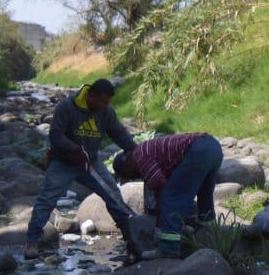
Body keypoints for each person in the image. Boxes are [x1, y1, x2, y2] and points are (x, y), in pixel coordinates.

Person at [26, 79, 139, 261]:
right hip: (63, 161)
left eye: (107, 102)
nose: (104, 106)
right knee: (47, 198)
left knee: (113, 194)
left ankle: (131, 237)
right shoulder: (67, 107)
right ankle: (32, 241)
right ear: (90, 95)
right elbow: (55, 135)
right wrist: (73, 149)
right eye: (102, 101)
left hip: (91, 162)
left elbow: (119, 134)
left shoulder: (106, 112)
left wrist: (135, 151)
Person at [112, 132, 223, 258]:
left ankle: (168, 248)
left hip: (197, 151)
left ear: (127, 165)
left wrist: (161, 227)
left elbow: (161, 187)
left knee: (171, 197)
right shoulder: (147, 150)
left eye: (129, 175)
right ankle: (207, 236)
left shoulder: (139, 156)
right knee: (205, 195)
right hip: (213, 147)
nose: (133, 178)